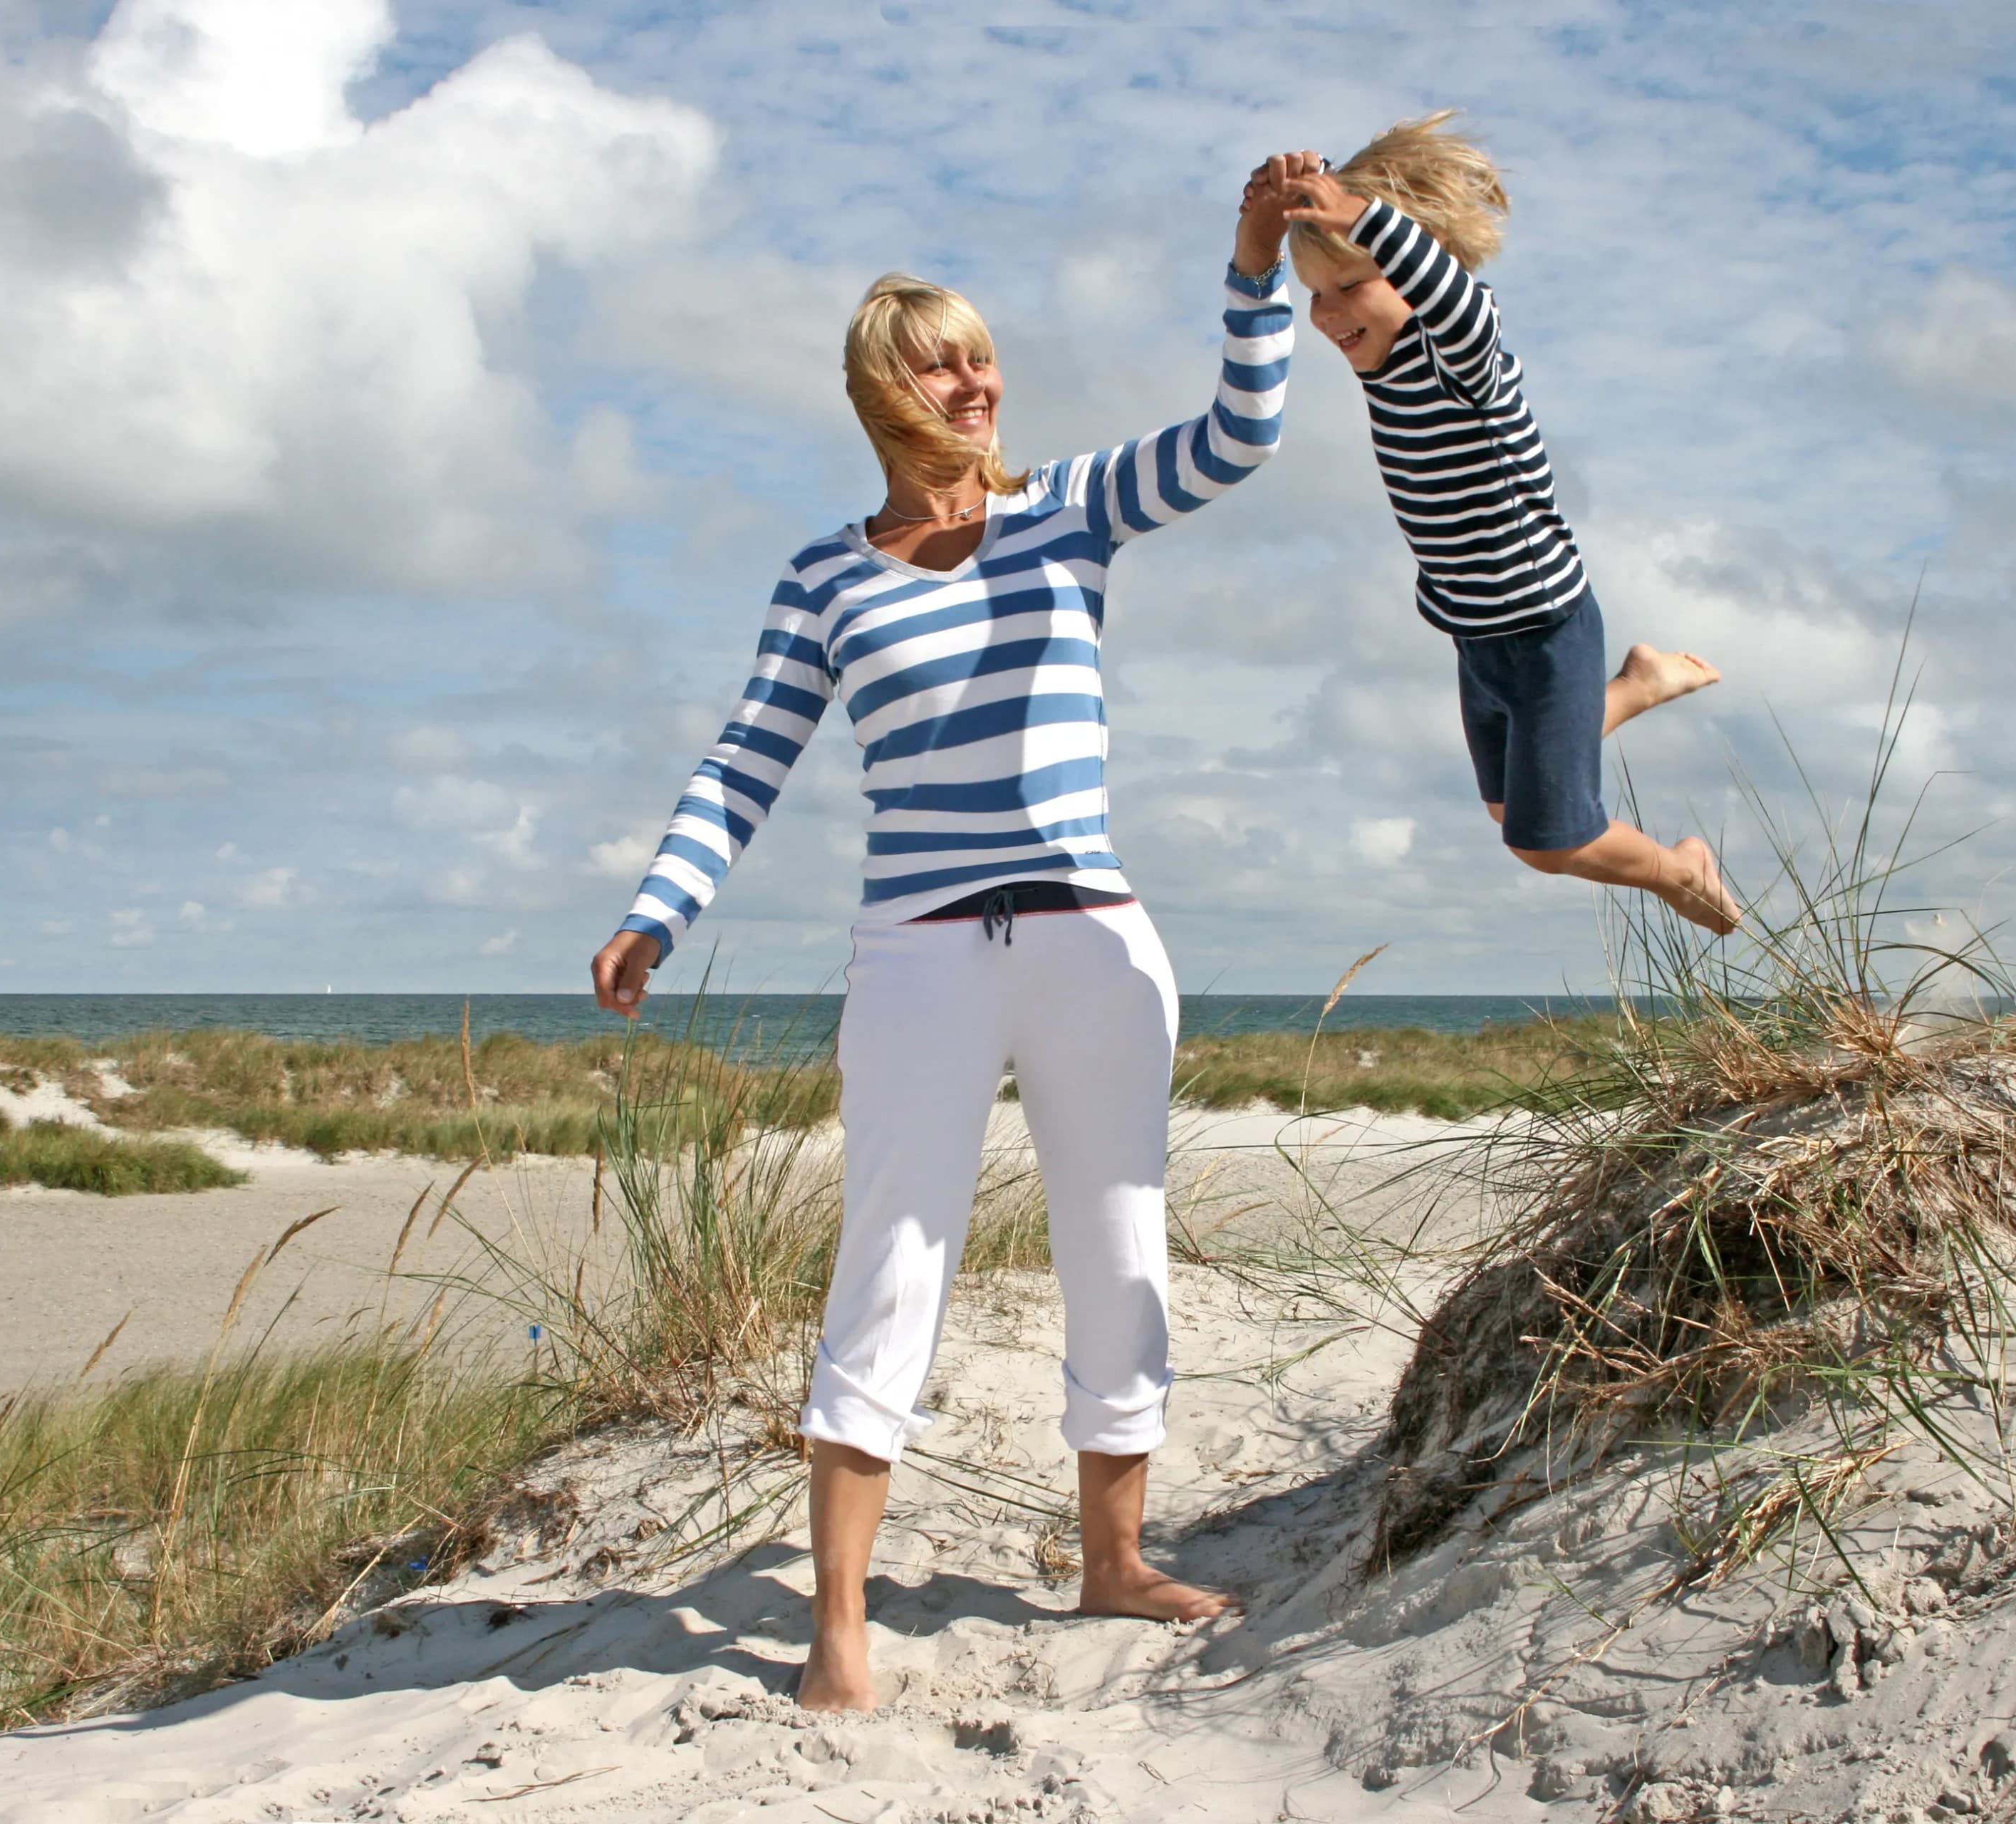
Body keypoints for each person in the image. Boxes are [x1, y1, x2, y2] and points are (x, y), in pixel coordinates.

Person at [587, 158, 1303, 1712]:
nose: (978, 381)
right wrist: (661, 905)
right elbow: (746, 756)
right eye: (943, 359)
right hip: (916, 951)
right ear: (878, 387)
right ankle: (836, 1625)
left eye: (986, 357)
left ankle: (1115, 1559)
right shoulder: (825, 574)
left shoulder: (1071, 512)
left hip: (1090, 942)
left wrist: (1253, 267)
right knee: (889, 1264)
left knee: (1118, 1251)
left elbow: (1241, 437)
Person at [1253, 113, 1740, 933]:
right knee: (1509, 803)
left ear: (1415, 269)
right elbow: (1316, 276)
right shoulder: (1386, 359)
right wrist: (1273, 213)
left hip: (1545, 627)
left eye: (1350, 288)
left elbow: (1452, 297)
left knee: (1548, 840)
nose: (1329, 316)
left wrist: (1364, 218)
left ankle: (1679, 869)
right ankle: (1638, 685)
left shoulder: (1464, 352)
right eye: (1316, 298)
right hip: (1476, 634)